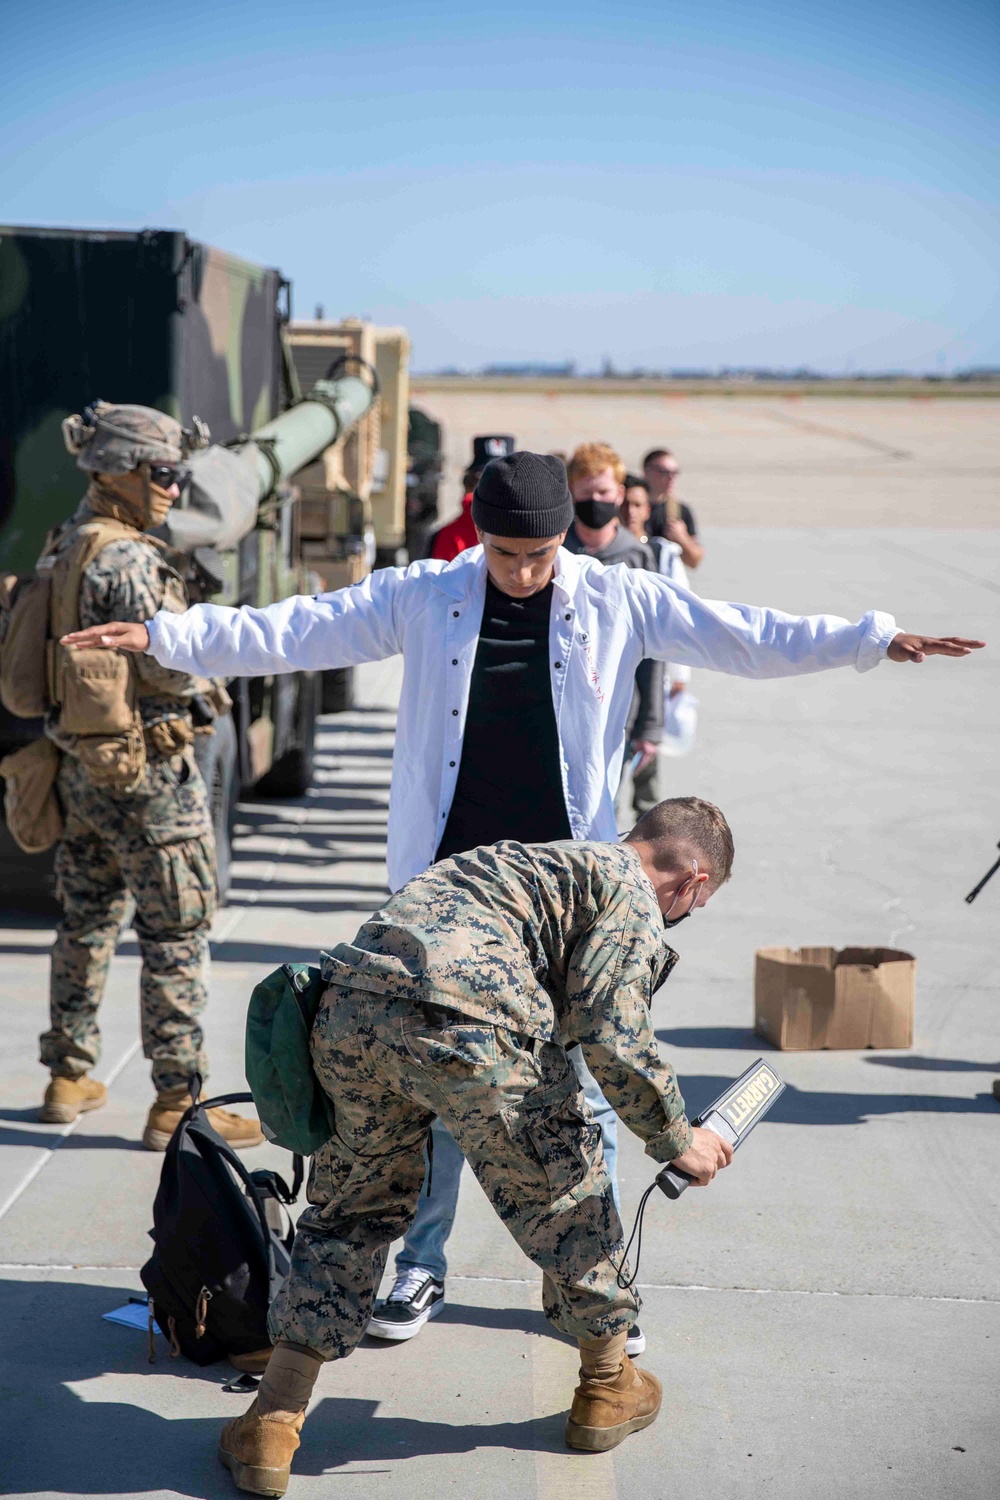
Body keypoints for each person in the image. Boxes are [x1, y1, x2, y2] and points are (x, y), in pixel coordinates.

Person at [61, 449, 983, 1318]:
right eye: (506, 554)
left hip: (562, 903)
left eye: (540, 555)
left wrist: (872, 639)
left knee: (583, 1088)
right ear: (479, 535)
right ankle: (420, 1270)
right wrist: (165, 635)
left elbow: (743, 634)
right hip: (446, 900)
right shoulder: (428, 595)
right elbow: (299, 628)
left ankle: (597, 1288)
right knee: (427, 1083)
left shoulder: (620, 597)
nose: (524, 573)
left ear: (567, 540)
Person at [217, 800, 737, 1493]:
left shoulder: (530, 860)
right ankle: (608, 1386)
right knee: (567, 1200)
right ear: (692, 882)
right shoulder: (631, 892)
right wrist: (678, 1137)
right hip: (475, 1027)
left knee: (349, 1214)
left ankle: (272, 1424)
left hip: (349, 1012)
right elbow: (614, 1030)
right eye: (693, 908)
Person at [33, 402, 262, 1152]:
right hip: (150, 778)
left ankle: (68, 1076)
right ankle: (180, 1102)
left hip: (82, 769)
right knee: (176, 934)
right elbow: (171, 665)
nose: (172, 489)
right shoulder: (129, 559)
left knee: (87, 920)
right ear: (120, 472)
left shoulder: (67, 542)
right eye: (162, 474)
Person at [563, 444, 664, 821]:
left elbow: (654, 648)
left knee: (604, 811)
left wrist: (650, 725)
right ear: (571, 493)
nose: (595, 501)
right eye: (586, 494)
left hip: (618, 713)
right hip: (561, 709)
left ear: (620, 494)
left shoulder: (636, 556)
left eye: (604, 493)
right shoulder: (555, 551)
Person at [621, 474, 694, 752]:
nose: (631, 512)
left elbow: (677, 617)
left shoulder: (662, 554)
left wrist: (680, 676)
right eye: (625, 504)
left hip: (655, 672)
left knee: (646, 761)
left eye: (638, 505)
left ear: (647, 510)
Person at [430, 435, 515, 561]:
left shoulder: (535, 530)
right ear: (469, 484)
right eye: (484, 480)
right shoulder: (452, 535)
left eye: (504, 480)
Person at [642, 447, 703, 569]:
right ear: (646, 472)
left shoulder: (679, 511)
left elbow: (694, 561)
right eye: (664, 472)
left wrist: (682, 538)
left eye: (675, 472)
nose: (671, 478)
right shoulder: (628, 506)